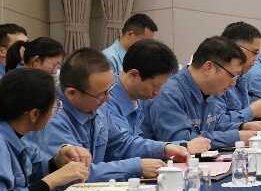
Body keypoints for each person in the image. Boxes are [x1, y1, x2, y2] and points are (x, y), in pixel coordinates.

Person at [34, 48, 187, 180]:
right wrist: (136, 167)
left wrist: (163, 148)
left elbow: (121, 143)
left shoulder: (97, 108)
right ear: (72, 93)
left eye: (109, 90)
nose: (108, 98)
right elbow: (75, 173)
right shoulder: (53, 119)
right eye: (101, 94)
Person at [145, 36, 261, 147]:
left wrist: (242, 126)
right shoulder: (169, 93)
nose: (233, 83)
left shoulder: (210, 91)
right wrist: (235, 137)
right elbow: (182, 141)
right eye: (232, 75)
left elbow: (213, 125)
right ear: (209, 67)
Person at [0, 68, 90, 191]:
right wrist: (52, 180)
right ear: (34, 114)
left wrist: (56, 163)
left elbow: (31, 173)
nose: (55, 112)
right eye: (54, 107)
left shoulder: (19, 135)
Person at [104, 39, 212, 152]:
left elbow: (138, 142)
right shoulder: (106, 100)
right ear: (134, 75)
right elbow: (123, 146)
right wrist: (178, 147)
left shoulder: (138, 98)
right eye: (155, 86)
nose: (157, 93)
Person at [208, 22, 261, 132]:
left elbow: (241, 120)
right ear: (237, 49)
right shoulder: (215, 76)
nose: (256, 59)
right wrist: (251, 112)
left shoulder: (242, 77)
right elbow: (215, 124)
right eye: (254, 52)